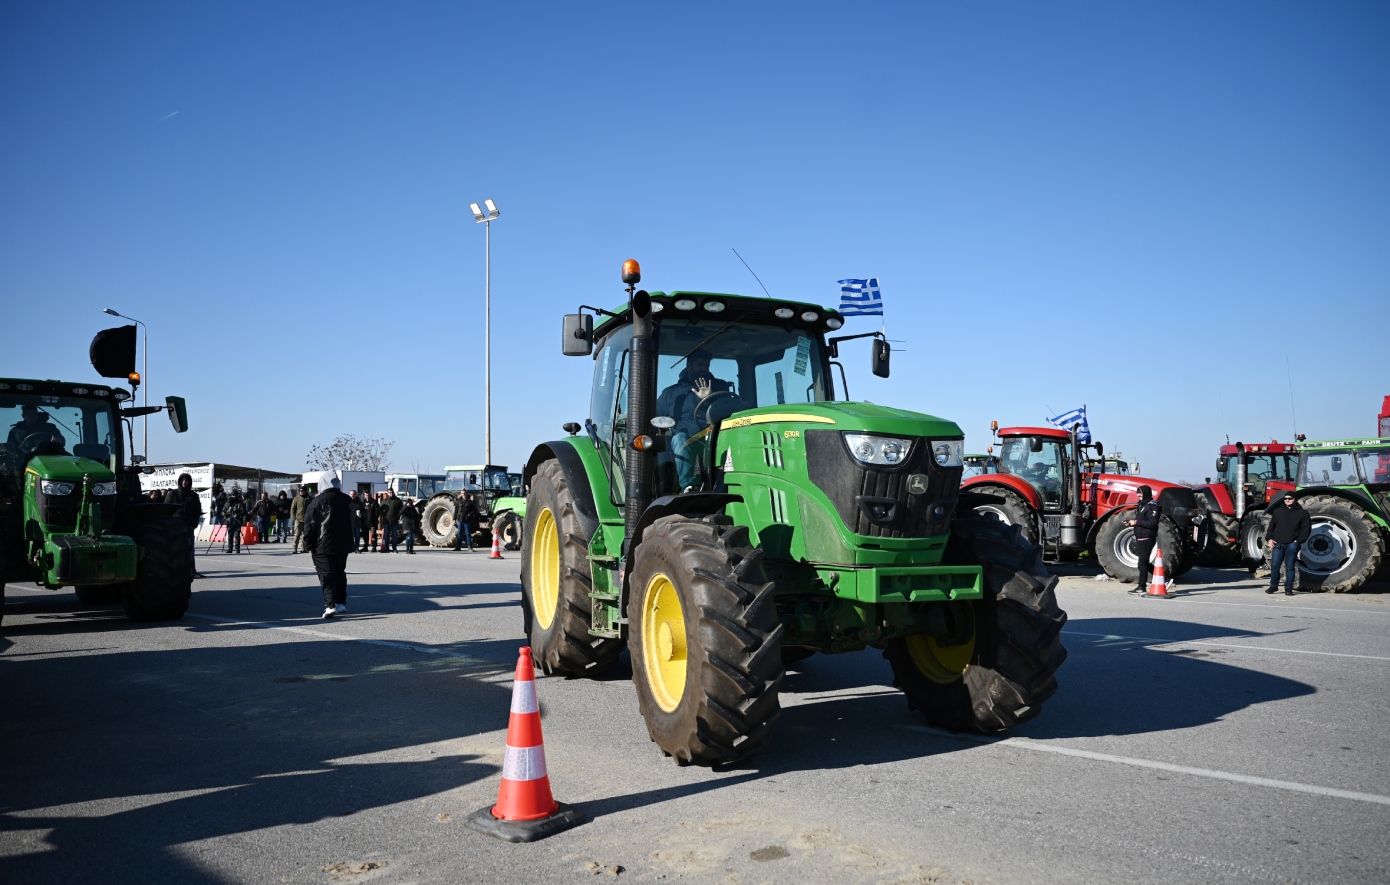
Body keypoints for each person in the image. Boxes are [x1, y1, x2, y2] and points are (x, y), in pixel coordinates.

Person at [654, 348, 744, 490]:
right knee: (679, 438)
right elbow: (657, 418)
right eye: (699, 365)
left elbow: (731, 410)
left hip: (716, 439)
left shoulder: (720, 386)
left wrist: (709, 397)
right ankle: (689, 487)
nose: (704, 369)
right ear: (689, 366)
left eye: (706, 366)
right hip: (689, 442)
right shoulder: (671, 394)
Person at [302, 469, 355, 618]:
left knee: (326, 575)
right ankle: (341, 603)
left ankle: (330, 605)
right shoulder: (348, 500)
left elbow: (310, 525)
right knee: (339, 573)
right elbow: (353, 521)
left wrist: (309, 545)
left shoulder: (318, 501)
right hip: (343, 543)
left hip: (323, 544)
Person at [1266, 492, 1311, 595]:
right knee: (1275, 566)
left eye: (1289, 498)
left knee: (1290, 567)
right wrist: (1270, 539)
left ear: (1294, 499)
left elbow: (1306, 529)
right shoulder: (1277, 512)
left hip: (1292, 544)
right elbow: (1271, 528)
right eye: (1285, 499)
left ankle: (1288, 588)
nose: (1287, 500)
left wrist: (1298, 541)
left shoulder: (1303, 513)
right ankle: (1273, 586)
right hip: (1278, 544)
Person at [163, 472, 205, 579]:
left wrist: (194, 524)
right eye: (183, 480)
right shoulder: (173, 494)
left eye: (186, 480)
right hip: (174, 526)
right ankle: (173, 570)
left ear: (189, 482)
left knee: (190, 548)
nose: (184, 482)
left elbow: (197, 511)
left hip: (188, 525)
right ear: (179, 481)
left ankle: (192, 570)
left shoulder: (193, 496)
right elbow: (166, 509)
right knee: (174, 548)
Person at [1125, 485, 1162, 594]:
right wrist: (1130, 523)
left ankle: (1142, 587)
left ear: (1146, 493)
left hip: (1147, 538)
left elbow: (1152, 522)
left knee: (1142, 564)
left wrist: (1135, 522)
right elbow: (1142, 520)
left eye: (1140, 493)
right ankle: (1161, 576)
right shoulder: (1142, 505)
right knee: (1144, 562)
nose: (1138, 495)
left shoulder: (1152, 506)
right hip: (1141, 538)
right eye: (1137, 492)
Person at [223, 489, 247, 554]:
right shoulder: (228, 503)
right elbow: (223, 511)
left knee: (237, 535)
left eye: (235, 495)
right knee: (230, 535)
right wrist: (226, 513)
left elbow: (244, 512)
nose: (234, 497)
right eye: (233, 495)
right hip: (229, 520)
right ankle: (230, 548)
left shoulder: (240, 503)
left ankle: (237, 549)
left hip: (237, 521)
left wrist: (238, 515)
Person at [290, 485, 312, 553]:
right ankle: (295, 548)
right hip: (298, 519)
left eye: (302, 491)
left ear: (305, 491)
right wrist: (293, 517)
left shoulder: (310, 499)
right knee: (297, 534)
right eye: (300, 491)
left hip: (307, 519)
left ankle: (303, 548)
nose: (301, 492)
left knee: (305, 535)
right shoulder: (296, 498)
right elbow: (293, 508)